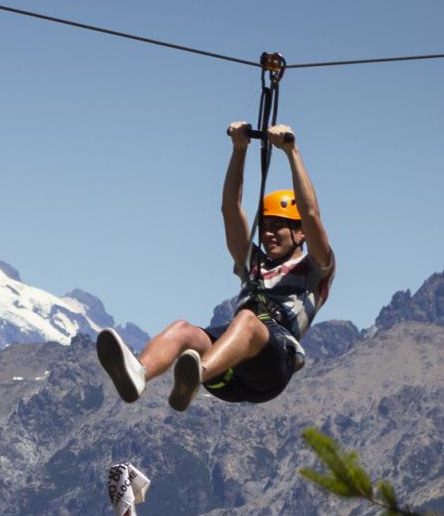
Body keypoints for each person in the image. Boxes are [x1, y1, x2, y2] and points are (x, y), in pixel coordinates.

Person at [97, 122, 334, 410]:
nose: (269, 233)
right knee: (183, 329)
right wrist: (238, 150)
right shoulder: (254, 265)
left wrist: (291, 152)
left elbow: (311, 214)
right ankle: (139, 373)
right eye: (266, 226)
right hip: (229, 372)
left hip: (271, 368)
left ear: (300, 233)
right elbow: (230, 210)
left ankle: (195, 376)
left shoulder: (315, 269)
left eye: (279, 227)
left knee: (248, 320)